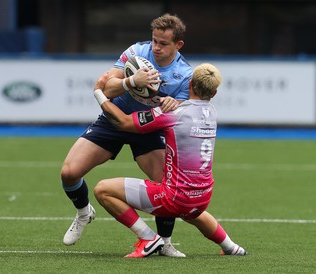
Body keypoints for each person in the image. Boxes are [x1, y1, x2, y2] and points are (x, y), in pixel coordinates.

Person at [60, 14, 192, 257]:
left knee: (166, 186)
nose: (156, 47)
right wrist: (132, 80)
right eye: (154, 41)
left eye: (163, 43)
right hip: (115, 119)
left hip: (149, 129)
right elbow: (106, 88)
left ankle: (164, 242)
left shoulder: (184, 75)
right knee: (69, 172)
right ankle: (83, 212)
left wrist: (175, 103)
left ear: (178, 45)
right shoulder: (136, 52)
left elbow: (182, 114)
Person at [92, 63, 247, 258]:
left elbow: (123, 123)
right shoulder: (212, 113)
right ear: (214, 93)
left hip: (175, 198)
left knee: (102, 190)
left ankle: (148, 237)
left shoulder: (173, 113)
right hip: (203, 196)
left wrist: (99, 92)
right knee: (192, 211)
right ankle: (231, 247)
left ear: (189, 83)